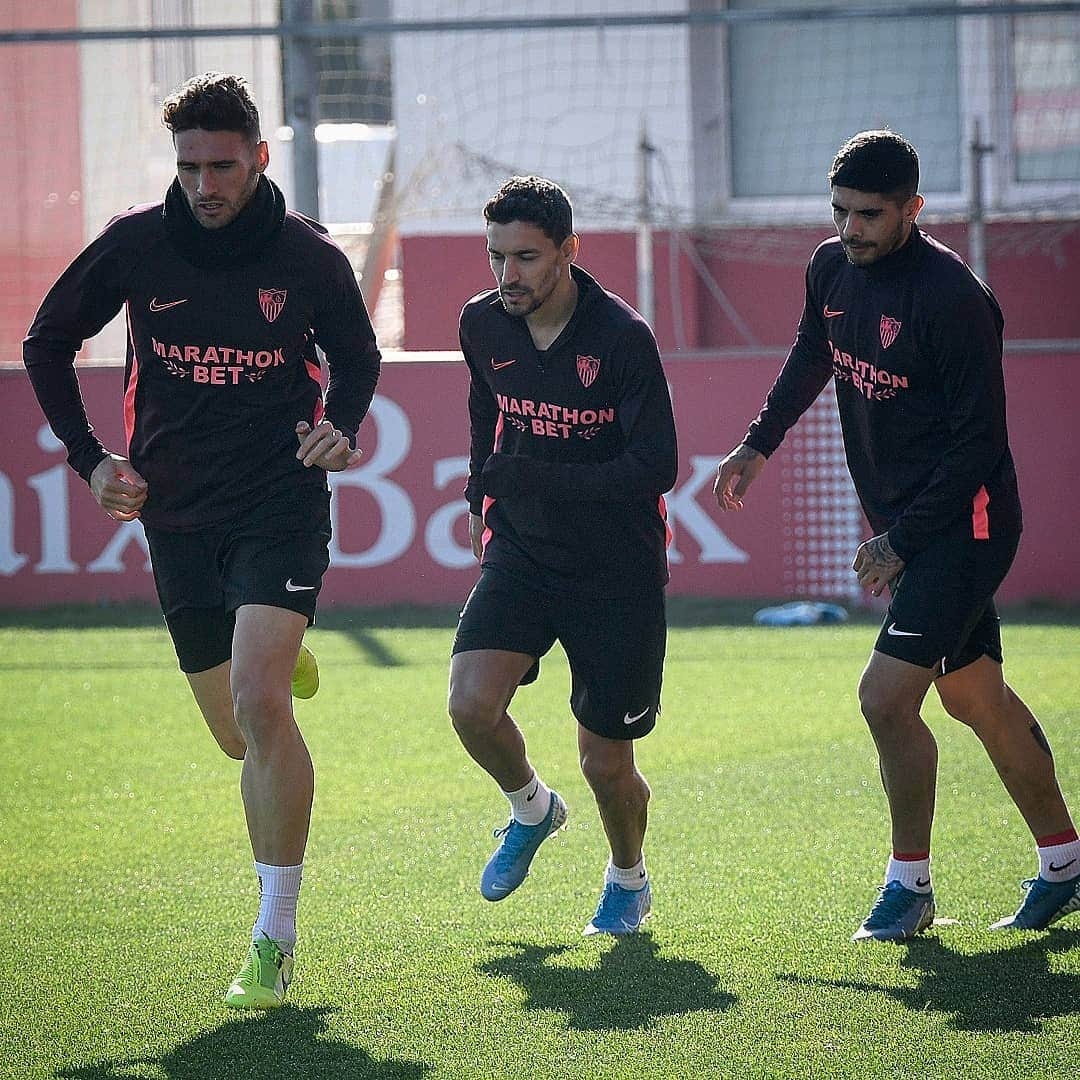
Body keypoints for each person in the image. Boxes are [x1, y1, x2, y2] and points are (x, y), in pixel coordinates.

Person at [23, 73, 381, 1004]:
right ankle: (277, 661)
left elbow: (359, 352)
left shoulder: (307, 258)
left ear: (260, 159)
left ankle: (275, 933)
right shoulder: (137, 245)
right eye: (189, 167)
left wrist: (340, 421)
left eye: (223, 166)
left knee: (261, 707)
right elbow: (45, 342)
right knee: (237, 736)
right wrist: (91, 459)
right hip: (174, 513)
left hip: (281, 499)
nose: (205, 185)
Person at [714, 130, 1080, 942]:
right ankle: (1065, 863)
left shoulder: (953, 299)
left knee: (883, 697)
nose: (851, 228)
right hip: (915, 528)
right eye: (840, 211)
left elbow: (980, 445)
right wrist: (758, 442)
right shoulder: (831, 268)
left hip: (967, 522)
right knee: (973, 696)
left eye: (870, 215)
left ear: (913, 208)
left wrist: (902, 542)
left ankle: (907, 887)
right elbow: (816, 349)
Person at [449, 176, 678, 935]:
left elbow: (656, 469)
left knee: (606, 764)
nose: (507, 276)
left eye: (525, 258)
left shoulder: (622, 337)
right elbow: (487, 406)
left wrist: (535, 475)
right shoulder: (481, 324)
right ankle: (532, 809)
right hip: (522, 549)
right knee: (471, 706)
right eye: (496, 257)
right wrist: (483, 492)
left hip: (617, 568)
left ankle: (627, 877)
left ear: (569, 253)